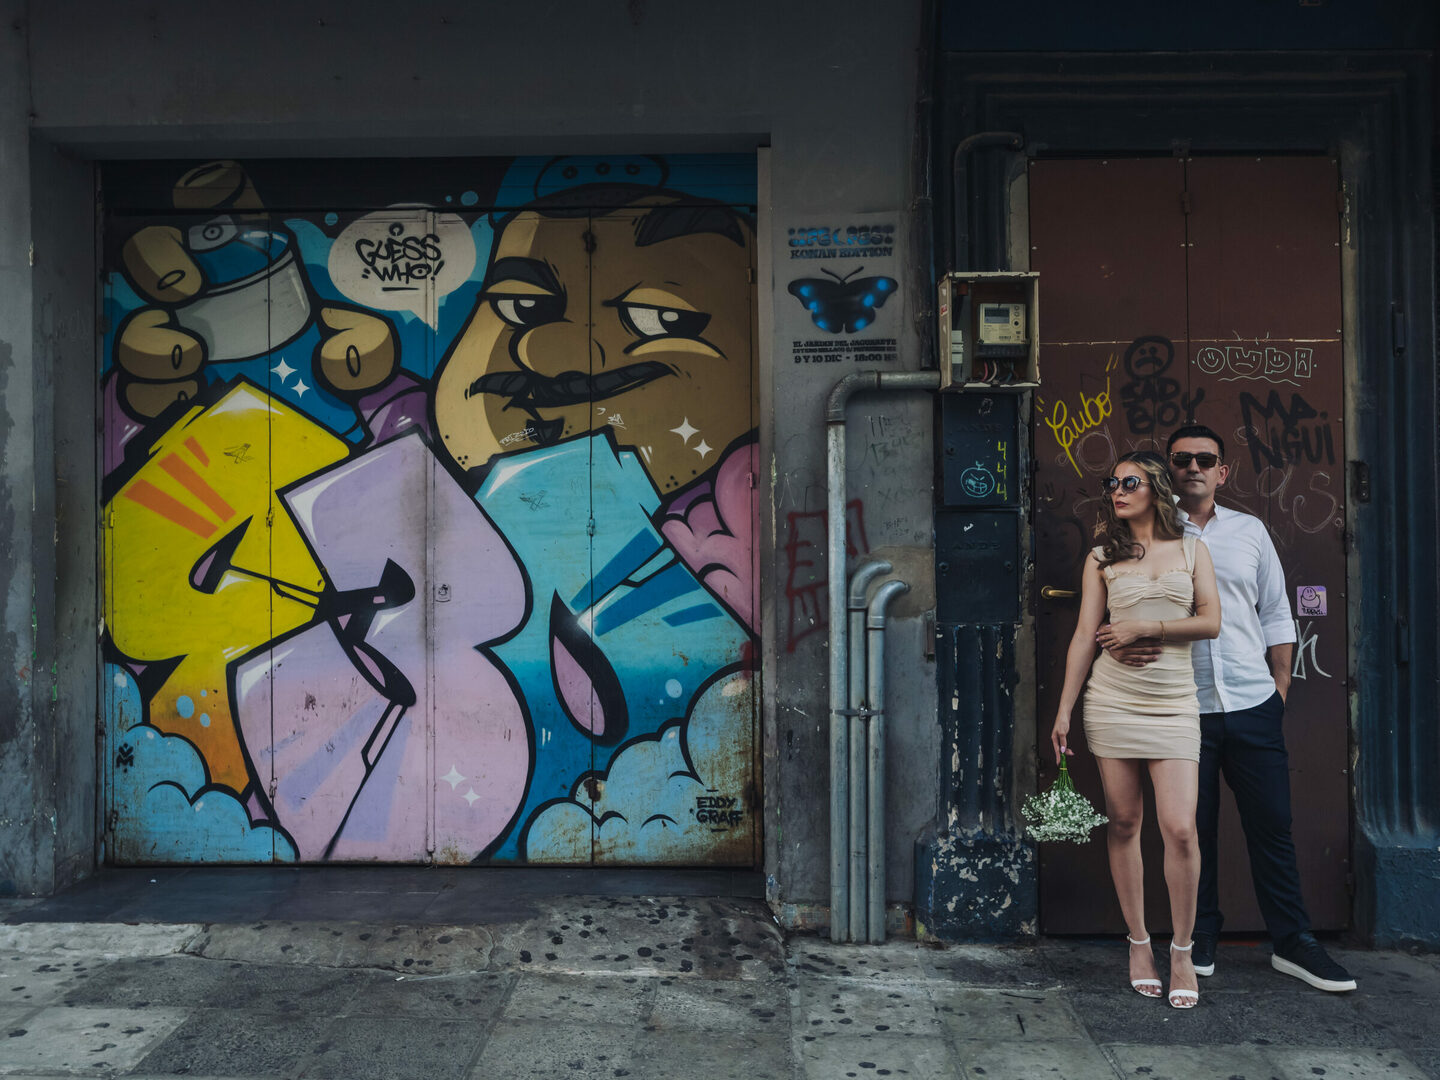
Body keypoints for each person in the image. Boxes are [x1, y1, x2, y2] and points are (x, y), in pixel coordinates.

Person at [1126, 423, 1355, 992]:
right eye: (1182, 459)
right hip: (1183, 707)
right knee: (1191, 830)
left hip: (1253, 703)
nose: (1194, 467)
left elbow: (1275, 611)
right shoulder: (1149, 534)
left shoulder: (1250, 531)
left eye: (1205, 460)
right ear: (1168, 469)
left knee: (1272, 826)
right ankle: (1199, 934)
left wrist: (1279, 688)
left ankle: (1293, 942)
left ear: (1222, 472)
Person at [1051, 451, 1222, 1009]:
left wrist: (1147, 627)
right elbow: (1085, 635)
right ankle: (1140, 943)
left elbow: (1211, 622)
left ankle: (1182, 950)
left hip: (1173, 705)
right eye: (1113, 482)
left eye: (1131, 482)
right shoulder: (1102, 556)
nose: (1118, 490)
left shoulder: (1193, 550)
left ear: (1157, 490)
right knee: (1124, 822)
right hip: (1112, 700)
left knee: (1180, 829)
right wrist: (1064, 709)